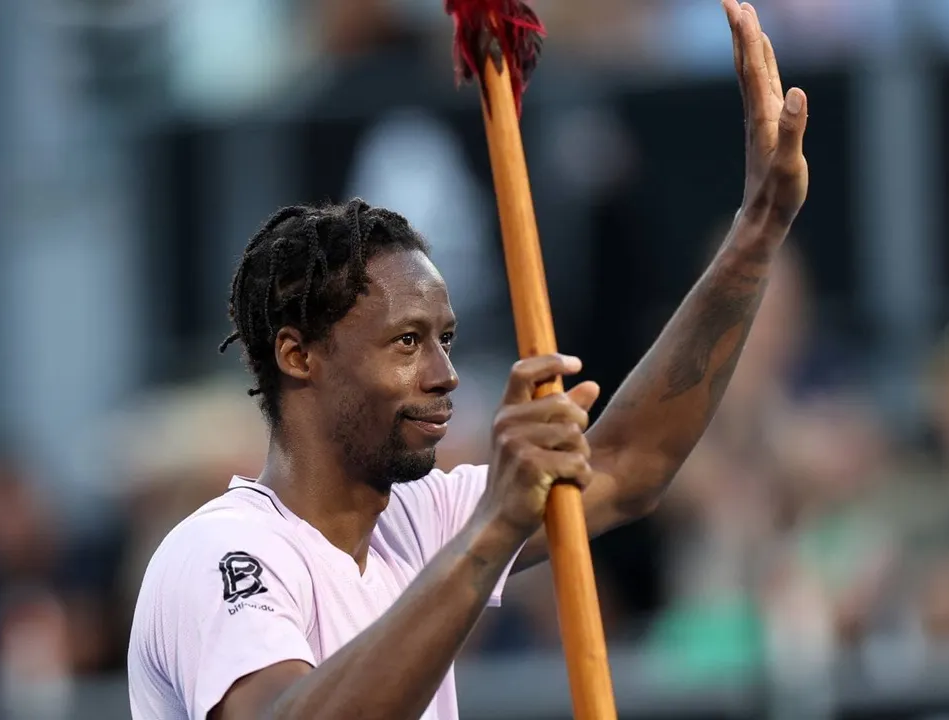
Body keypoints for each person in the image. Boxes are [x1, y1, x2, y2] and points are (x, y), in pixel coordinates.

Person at [127, 1, 809, 718]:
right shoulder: (220, 553)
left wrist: (756, 234)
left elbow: (630, 463)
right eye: (407, 342)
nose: (444, 375)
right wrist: (492, 530)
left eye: (445, 340)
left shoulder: (421, 517)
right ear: (298, 355)